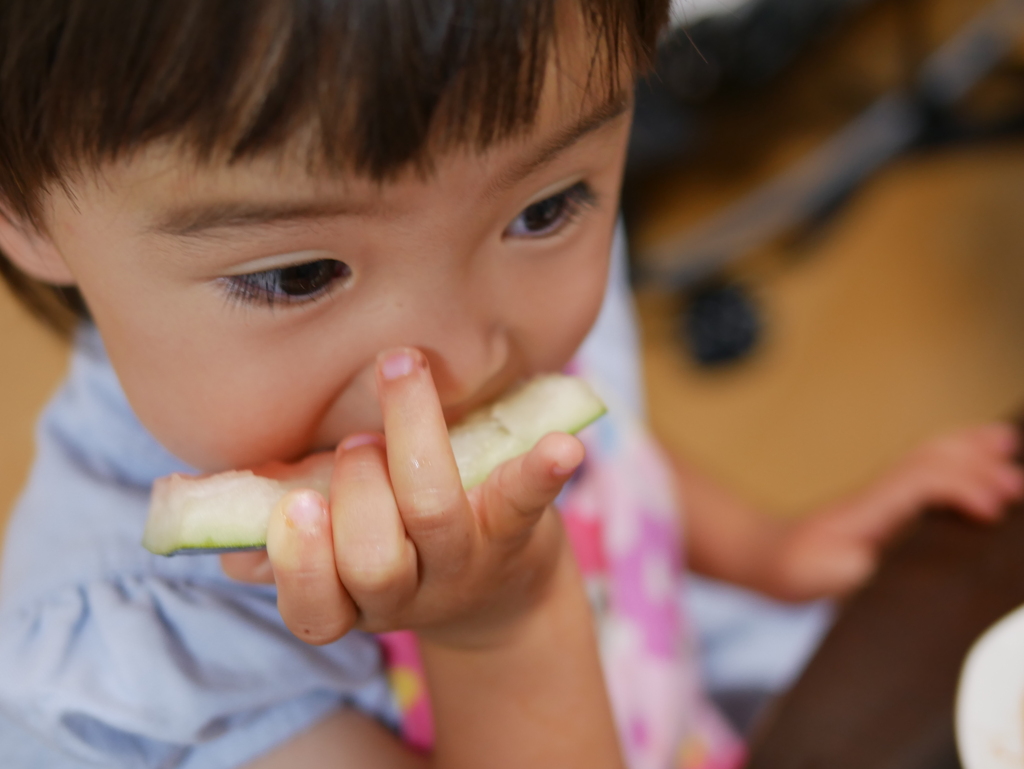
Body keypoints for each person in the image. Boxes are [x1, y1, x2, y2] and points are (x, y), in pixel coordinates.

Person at [0, 2, 1020, 768]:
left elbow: (592, 457)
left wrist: (764, 549)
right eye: (299, 276)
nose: (469, 361)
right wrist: (500, 626)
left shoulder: (491, 231)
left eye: (547, 207)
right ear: (23, 202)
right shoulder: (150, 678)